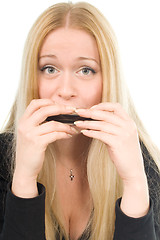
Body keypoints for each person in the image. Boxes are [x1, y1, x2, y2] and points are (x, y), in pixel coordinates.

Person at [0, 2, 160, 240]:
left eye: (85, 70)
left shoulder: (142, 162)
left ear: (108, 80)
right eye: (50, 68)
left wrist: (134, 182)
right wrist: (24, 179)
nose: (65, 91)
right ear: (31, 77)